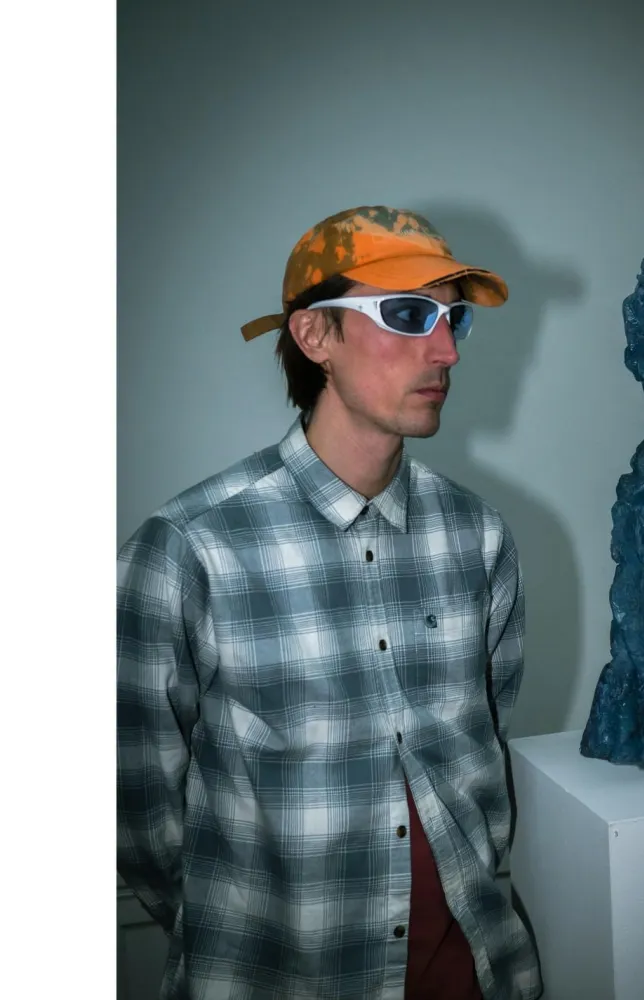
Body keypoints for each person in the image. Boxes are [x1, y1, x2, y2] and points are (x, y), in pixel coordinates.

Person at [117, 206, 543, 1000]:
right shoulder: (191, 549)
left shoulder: (478, 536)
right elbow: (137, 809)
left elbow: (486, 746)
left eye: (452, 319)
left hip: (476, 973)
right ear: (315, 335)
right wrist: (236, 935)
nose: (446, 350)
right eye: (408, 315)